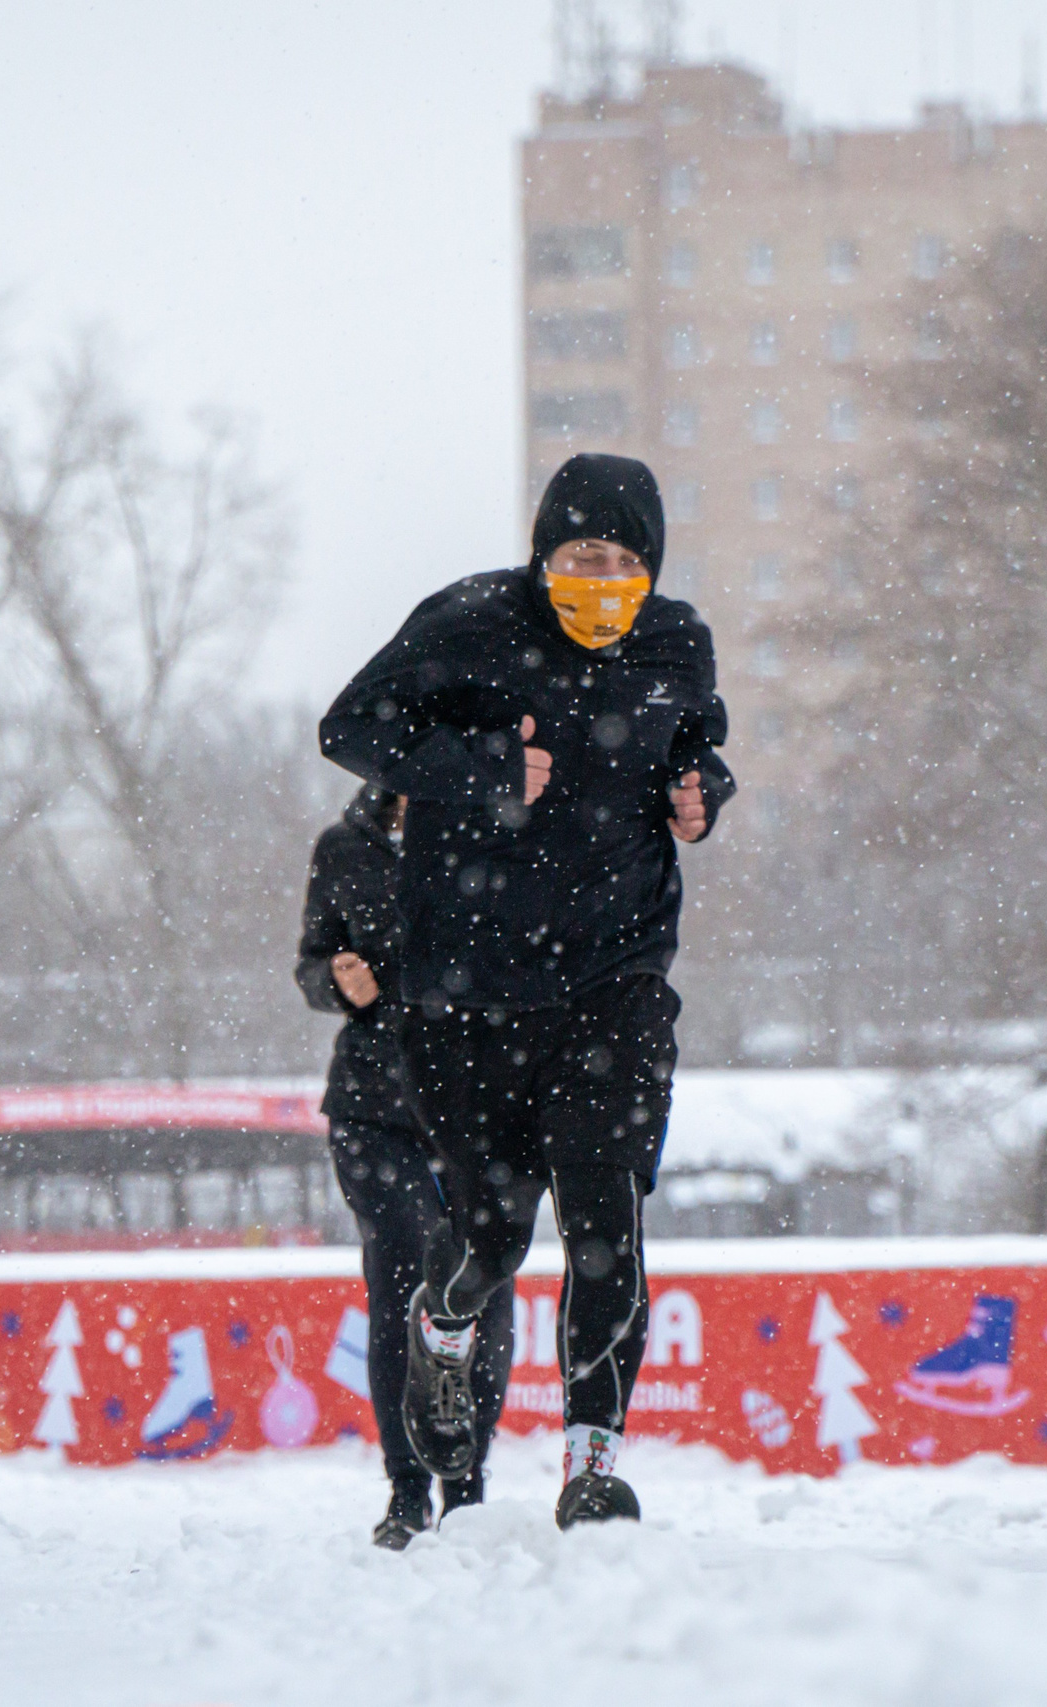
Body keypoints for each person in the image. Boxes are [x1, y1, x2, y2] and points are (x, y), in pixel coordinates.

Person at [318, 451, 735, 1529]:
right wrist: (475, 765)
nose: (601, 576)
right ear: (541, 554)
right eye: (579, 554)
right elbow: (350, 731)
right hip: (470, 992)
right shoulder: (470, 624)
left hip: (617, 981)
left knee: (608, 1222)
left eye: (623, 559)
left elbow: (698, 745)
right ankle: (444, 1325)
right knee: (494, 1236)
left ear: (651, 568)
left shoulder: (676, 643)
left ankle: (590, 1467)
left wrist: (702, 794)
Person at [294, 783, 514, 1549]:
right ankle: (408, 1488)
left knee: (481, 1279)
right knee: (406, 1273)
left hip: (478, 1102)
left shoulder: (499, 827)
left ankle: (468, 1487)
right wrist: (336, 982)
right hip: (374, 1107)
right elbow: (311, 962)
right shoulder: (346, 846)